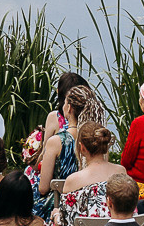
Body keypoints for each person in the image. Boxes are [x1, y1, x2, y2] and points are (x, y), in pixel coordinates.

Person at [53, 121, 123, 226]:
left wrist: (55, 216)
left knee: (54, 225)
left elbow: (65, 225)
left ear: (82, 148)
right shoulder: (121, 172)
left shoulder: (73, 180)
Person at [35, 84, 108, 216]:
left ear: (69, 108)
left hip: (59, 208)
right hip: (93, 208)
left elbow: (43, 188)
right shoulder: (99, 138)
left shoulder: (56, 141)